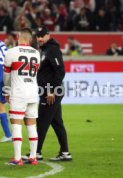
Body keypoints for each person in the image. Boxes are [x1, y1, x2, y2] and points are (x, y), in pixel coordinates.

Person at [28, 26, 72, 161]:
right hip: (49, 91)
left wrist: (52, 89)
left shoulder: (52, 50)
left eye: (42, 36)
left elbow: (60, 71)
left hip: (51, 92)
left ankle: (36, 152)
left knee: (41, 121)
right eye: (38, 36)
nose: (40, 39)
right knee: (57, 122)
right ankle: (65, 153)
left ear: (48, 35)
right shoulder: (45, 50)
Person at [4, 28, 40, 165]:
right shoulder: (36, 53)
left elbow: (6, 76)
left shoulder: (11, 52)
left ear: (18, 37)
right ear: (30, 39)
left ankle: (17, 158)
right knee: (31, 124)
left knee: (16, 124)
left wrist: (7, 91)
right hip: (32, 91)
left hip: (18, 92)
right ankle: (33, 157)